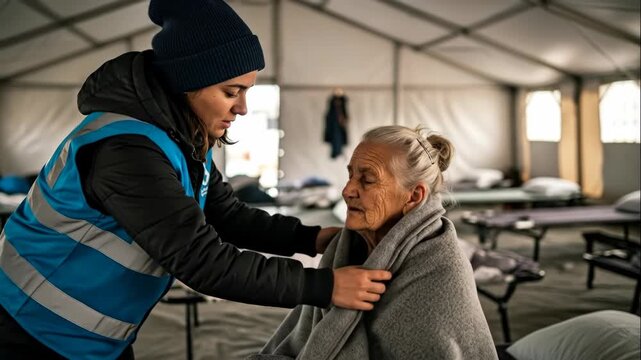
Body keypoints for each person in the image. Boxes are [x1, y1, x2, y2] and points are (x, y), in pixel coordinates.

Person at [0, 1, 391, 359]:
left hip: (92, 336)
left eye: (246, 91)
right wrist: (324, 287)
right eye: (230, 91)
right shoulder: (128, 151)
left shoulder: (179, 139)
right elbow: (203, 261)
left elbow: (228, 216)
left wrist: (313, 238)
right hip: (30, 326)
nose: (242, 108)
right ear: (187, 82)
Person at [251, 125, 498, 359]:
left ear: (413, 196)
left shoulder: (441, 269)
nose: (347, 190)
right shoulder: (346, 249)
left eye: (367, 180)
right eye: (350, 175)